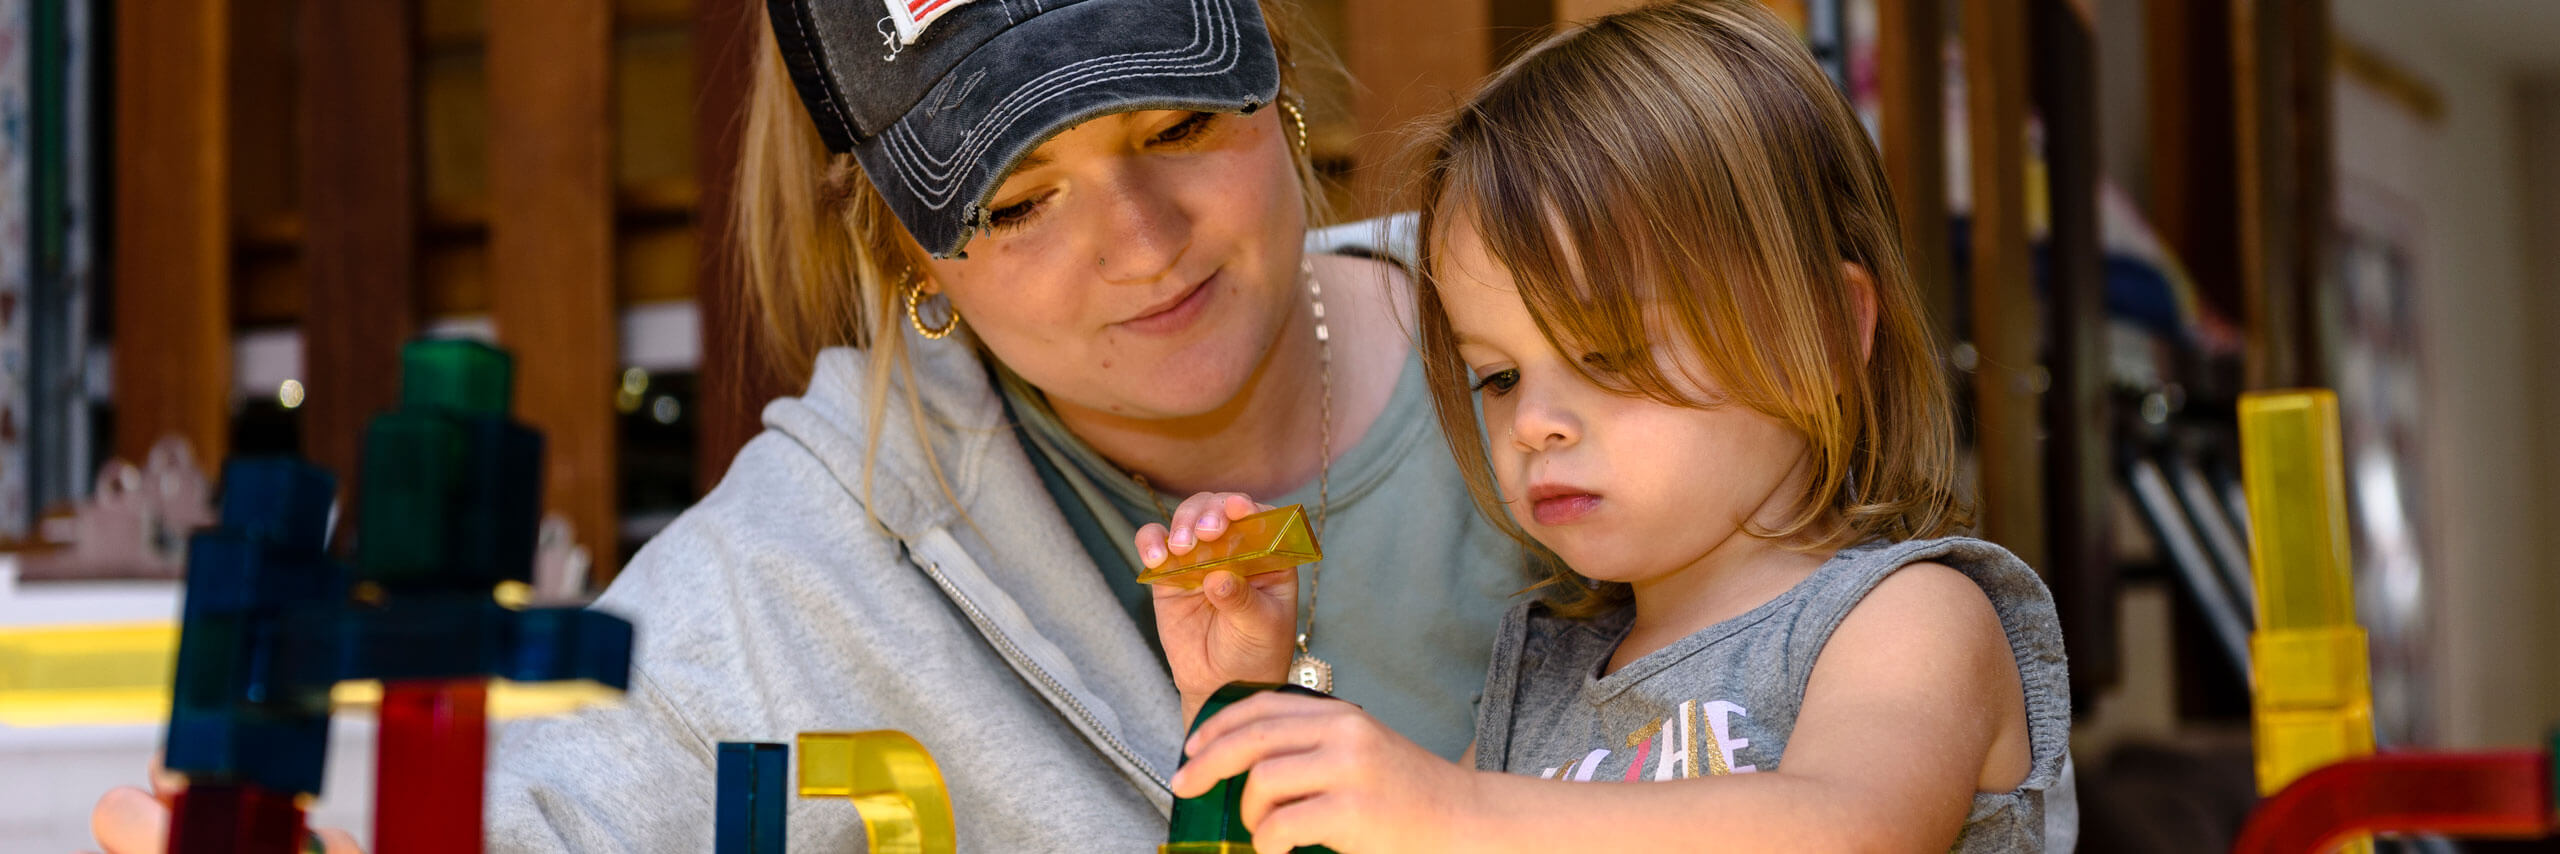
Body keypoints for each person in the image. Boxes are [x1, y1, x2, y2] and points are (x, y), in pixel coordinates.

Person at [84, 1, 1525, 850]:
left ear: (1267, 69)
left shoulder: (1592, 338)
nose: (1142, 242)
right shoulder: (807, 562)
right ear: (906, 253)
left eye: (1175, 129)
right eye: (1015, 203)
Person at [1138, 2, 2072, 850]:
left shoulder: (1906, 619)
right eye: (1497, 377)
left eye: (1609, 355)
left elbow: (1848, 831)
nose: (1535, 423)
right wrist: (1246, 707)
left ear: (1825, 332)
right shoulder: (1538, 683)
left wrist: (1450, 810)